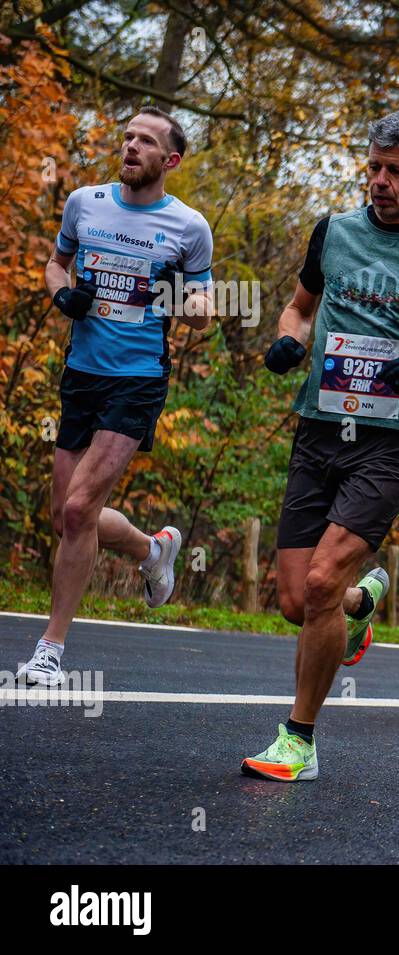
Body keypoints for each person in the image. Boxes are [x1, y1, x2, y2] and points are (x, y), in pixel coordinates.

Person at [242, 112, 399, 781]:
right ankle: (363, 600)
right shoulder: (334, 232)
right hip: (319, 429)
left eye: (396, 171)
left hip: (387, 443)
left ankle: (299, 739)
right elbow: (299, 304)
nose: (380, 181)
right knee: (298, 601)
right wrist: (291, 337)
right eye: (374, 167)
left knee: (321, 581)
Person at [19, 107, 215, 689]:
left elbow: (204, 311)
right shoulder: (85, 202)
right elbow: (58, 265)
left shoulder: (189, 226)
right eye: (127, 137)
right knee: (63, 518)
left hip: (138, 379)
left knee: (80, 509)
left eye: (145, 142)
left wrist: (179, 298)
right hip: (81, 372)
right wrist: (63, 298)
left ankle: (50, 649)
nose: (131, 147)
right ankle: (151, 551)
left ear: (169, 160)